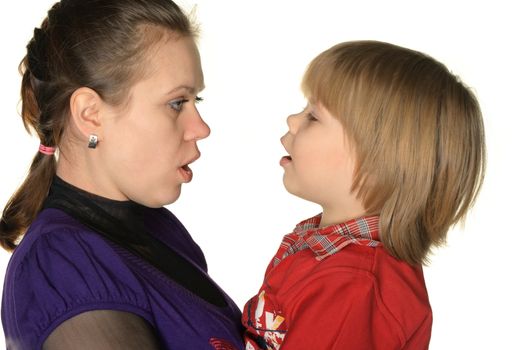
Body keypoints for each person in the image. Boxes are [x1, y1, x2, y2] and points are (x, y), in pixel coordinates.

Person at [0, 0, 244, 349]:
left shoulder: (159, 228)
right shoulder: (64, 266)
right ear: (90, 114)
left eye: (196, 102)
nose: (200, 128)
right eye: (177, 103)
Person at [242, 41, 486, 349]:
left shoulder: (353, 286)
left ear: (377, 162)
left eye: (314, 116)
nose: (292, 120)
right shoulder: (331, 256)